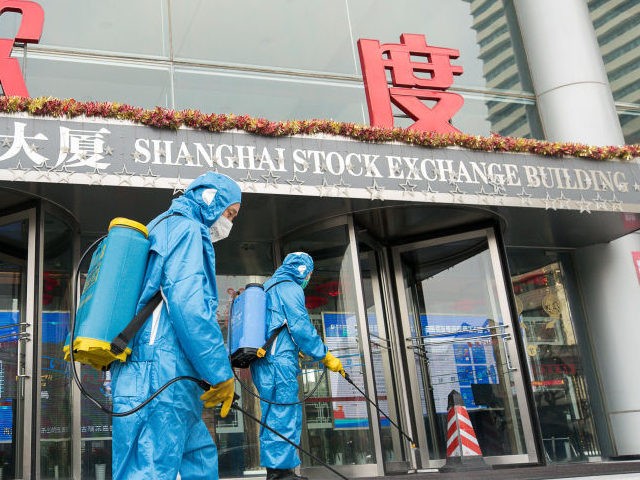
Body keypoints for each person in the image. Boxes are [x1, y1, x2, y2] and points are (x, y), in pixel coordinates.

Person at [111, 172, 241, 480]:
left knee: (199, 458)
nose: (229, 223)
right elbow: (190, 306)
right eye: (229, 213)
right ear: (211, 200)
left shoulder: (161, 226)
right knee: (151, 470)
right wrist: (220, 373)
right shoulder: (186, 229)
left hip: (165, 374)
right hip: (160, 375)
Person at [250, 252, 345, 480]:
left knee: (273, 415)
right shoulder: (290, 288)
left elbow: (278, 325)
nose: (309, 278)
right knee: (283, 414)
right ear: (303, 270)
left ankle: (278, 471)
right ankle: (281, 474)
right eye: (310, 273)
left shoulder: (269, 286)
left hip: (264, 362)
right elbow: (301, 326)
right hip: (278, 363)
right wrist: (325, 355)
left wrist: (294, 347)